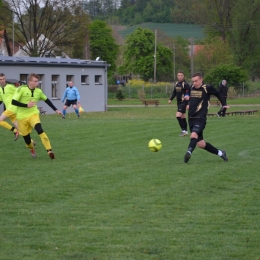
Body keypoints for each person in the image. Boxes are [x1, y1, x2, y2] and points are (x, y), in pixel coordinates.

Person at [12, 73, 63, 159]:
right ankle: (31, 148)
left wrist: (56, 109)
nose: (37, 83)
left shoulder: (38, 91)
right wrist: (26, 105)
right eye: (35, 81)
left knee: (40, 129)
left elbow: (47, 100)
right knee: (27, 141)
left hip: (33, 114)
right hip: (21, 117)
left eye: (38, 81)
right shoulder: (21, 89)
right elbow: (13, 102)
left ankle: (49, 150)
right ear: (30, 82)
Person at [184, 72, 229, 163]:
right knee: (201, 144)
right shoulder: (192, 87)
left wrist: (224, 104)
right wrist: (188, 104)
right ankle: (221, 153)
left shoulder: (207, 88)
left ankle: (189, 152)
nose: (194, 83)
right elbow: (193, 99)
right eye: (193, 81)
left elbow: (218, 94)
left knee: (193, 135)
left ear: (201, 79)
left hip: (200, 118)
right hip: (191, 118)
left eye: (196, 81)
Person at [168, 70, 190, 136]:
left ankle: (183, 130)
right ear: (177, 76)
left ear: (184, 76)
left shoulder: (185, 84)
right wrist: (170, 99)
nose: (180, 77)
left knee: (178, 116)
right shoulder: (176, 83)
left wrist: (188, 104)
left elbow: (189, 94)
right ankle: (185, 131)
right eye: (179, 75)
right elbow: (174, 93)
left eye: (181, 75)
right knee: (183, 117)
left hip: (184, 102)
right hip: (179, 102)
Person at [0, 73, 20, 140]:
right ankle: (31, 143)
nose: (2, 80)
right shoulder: (0, 89)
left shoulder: (10, 86)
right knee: (20, 130)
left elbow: (18, 92)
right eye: (0, 79)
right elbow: (0, 101)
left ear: (5, 79)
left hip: (12, 108)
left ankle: (14, 131)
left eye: (3, 79)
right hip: (11, 111)